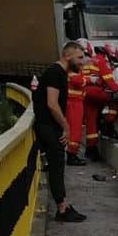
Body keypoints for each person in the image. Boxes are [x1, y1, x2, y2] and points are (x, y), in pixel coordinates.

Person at [32, 41, 87, 223]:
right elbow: (52, 103)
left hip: (48, 126)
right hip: (49, 127)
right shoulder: (56, 73)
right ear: (67, 55)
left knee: (58, 166)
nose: (83, 62)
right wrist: (66, 127)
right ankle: (62, 210)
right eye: (79, 58)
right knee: (56, 167)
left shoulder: (60, 73)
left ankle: (63, 206)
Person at [82, 43, 118, 161]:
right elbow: (108, 79)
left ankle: (91, 149)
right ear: (107, 54)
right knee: (115, 100)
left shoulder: (89, 61)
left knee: (91, 121)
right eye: (112, 58)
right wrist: (117, 90)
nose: (112, 61)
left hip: (85, 94)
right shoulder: (101, 61)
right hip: (95, 92)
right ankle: (109, 123)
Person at [65, 55, 88, 166]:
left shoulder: (70, 73)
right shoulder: (73, 75)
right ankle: (71, 155)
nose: (81, 64)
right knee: (75, 129)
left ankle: (72, 153)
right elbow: (81, 82)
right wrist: (85, 76)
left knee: (74, 129)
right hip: (74, 103)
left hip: (75, 103)